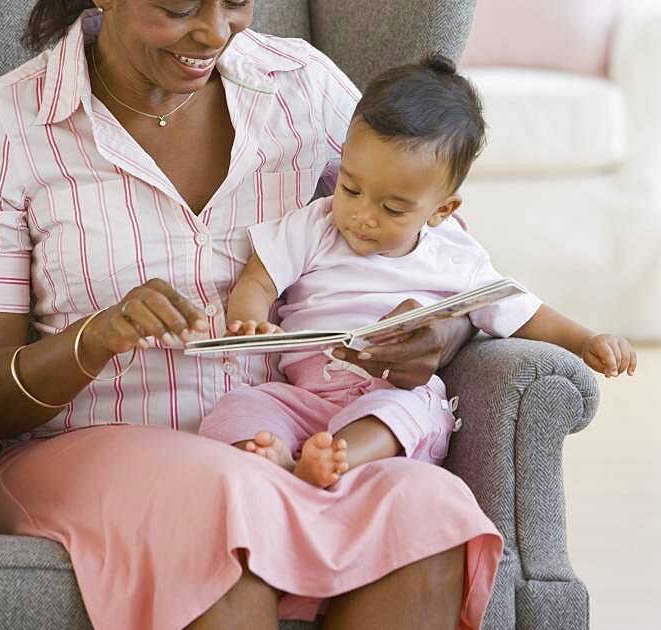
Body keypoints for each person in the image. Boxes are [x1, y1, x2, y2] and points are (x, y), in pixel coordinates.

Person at [0, 0, 503, 630]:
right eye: (181, 7)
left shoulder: (299, 86)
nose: (216, 32)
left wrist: (437, 329)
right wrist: (96, 339)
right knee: (219, 507)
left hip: (287, 436)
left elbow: (439, 244)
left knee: (428, 506)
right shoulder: (9, 122)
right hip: (89, 450)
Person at [199, 57, 638, 488]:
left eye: (392, 208)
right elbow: (260, 276)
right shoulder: (316, 224)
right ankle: (272, 453)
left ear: (442, 210)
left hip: (389, 393)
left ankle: (334, 459)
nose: (361, 215)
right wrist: (250, 316)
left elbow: (522, 311)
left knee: (413, 410)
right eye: (351, 188)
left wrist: (584, 340)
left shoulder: (456, 259)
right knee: (240, 406)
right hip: (304, 395)